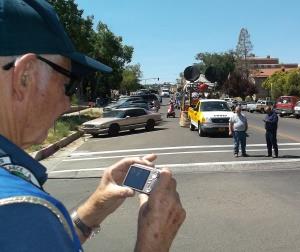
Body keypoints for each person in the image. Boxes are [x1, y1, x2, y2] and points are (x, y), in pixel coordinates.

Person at [0, 0, 185, 251]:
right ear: (25, 77)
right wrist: (154, 241)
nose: (67, 103)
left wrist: (94, 209)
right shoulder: (21, 211)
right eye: (69, 84)